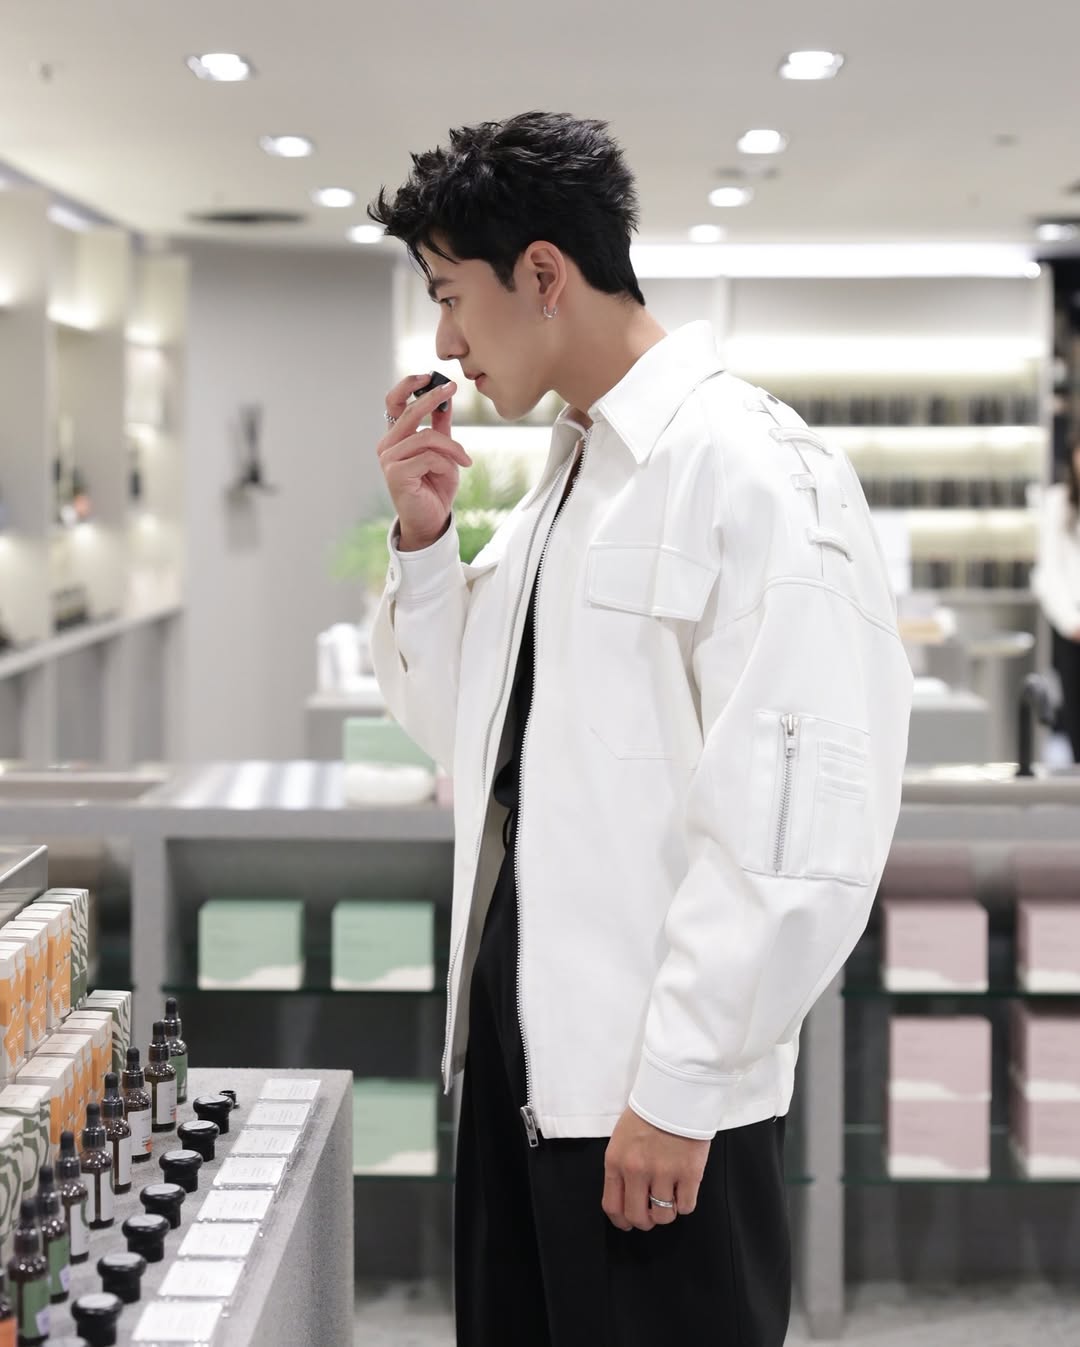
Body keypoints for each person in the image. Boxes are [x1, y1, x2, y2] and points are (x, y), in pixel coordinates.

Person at [367, 111, 913, 1347]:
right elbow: (468, 734)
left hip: (650, 1112)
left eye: (451, 297)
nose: (445, 342)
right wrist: (426, 540)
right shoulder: (571, 477)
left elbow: (801, 825)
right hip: (527, 1075)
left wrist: (683, 1082)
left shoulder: (752, 467)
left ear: (543, 274)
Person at [1033, 438, 1080, 761]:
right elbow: (1048, 574)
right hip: (1070, 627)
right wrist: (1071, 622)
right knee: (1074, 706)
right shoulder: (1057, 503)